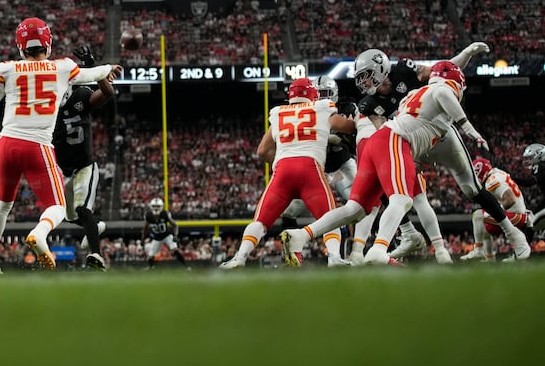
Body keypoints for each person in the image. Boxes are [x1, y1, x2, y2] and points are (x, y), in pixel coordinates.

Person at [281, 61, 495, 266]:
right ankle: (379, 248)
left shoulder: (407, 97)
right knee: (403, 199)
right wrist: (469, 129)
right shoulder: (433, 93)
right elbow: (441, 93)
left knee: (356, 209)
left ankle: (301, 235)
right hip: (393, 141)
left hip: (372, 146)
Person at [0, 16, 122, 273]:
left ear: (20, 47)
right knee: (57, 207)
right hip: (38, 145)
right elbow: (92, 74)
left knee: (2, 204)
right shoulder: (62, 67)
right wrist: (109, 68)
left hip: (7, 143)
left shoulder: (6, 69)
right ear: (47, 45)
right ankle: (40, 234)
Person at [352, 45, 530, 261]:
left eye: (367, 76)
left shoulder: (403, 70)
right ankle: (409, 234)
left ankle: (514, 234)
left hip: (441, 133)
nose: (364, 83)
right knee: (386, 180)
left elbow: (441, 72)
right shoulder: (369, 104)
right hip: (412, 141)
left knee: (471, 188)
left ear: (381, 69)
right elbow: (385, 137)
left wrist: (466, 55)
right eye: (361, 78)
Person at [221, 77, 355, 269]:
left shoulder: (278, 113)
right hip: (310, 169)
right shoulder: (322, 108)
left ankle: (239, 258)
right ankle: (334, 257)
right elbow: (348, 127)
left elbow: (262, 151)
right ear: (312, 94)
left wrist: (277, 166)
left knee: (260, 221)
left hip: (283, 170)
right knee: (329, 218)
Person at [52, 44, 116, 271]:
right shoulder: (47, 105)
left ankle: (96, 256)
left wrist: (95, 69)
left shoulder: (80, 94)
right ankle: (95, 227)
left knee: (81, 209)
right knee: (69, 216)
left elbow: (107, 93)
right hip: (63, 168)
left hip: (84, 166)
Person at [461, 157, 531, 261]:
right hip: (517, 214)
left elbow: (510, 199)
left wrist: (496, 210)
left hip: (516, 216)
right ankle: (489, 258)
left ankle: (479, 250)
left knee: (479, 216)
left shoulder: (492, 180)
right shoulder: (497, 174)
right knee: (484, 226)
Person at [142, 197, 188, 269]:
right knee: (150, 258)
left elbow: (175, 225)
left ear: (161, 207)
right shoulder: (149, 215)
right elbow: (145, 228)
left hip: (167, 236)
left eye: (157, 206)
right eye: (154, 206)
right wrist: (143, 238)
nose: (156, 208)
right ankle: (152, 268)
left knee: (175, 251)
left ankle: (186, 267)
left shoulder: (165, 214)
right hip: (156, 238)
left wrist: (175, 235)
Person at [512, 143, 545, 229]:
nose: (528, 160)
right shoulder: (539, 165)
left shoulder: (541, 166)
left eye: (530, 157)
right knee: (531, 219)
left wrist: (511, 178)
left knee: (532, 221)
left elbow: (529, 182)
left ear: (539, 155)